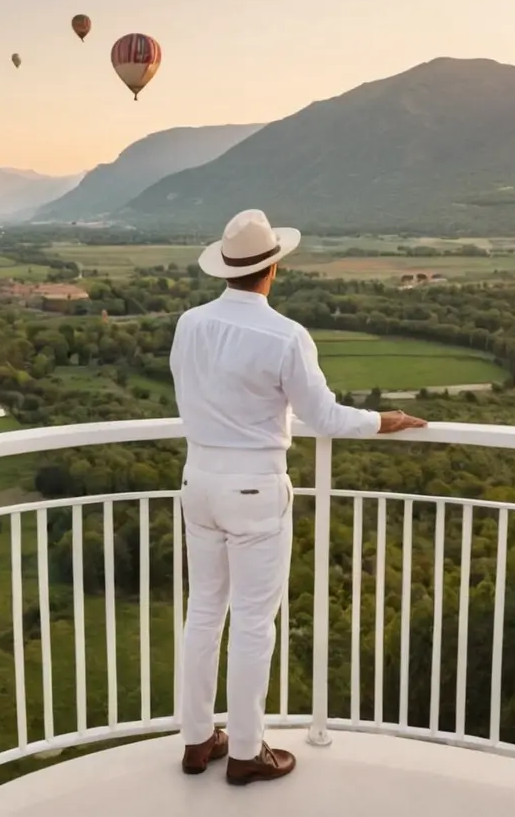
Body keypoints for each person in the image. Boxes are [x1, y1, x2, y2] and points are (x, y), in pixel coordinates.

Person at [170, 208, 427, 785]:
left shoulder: (190, 324)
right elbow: (325, 416)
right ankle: (244, 751)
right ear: (273, 269)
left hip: (198, 480)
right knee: (255, 622)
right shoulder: (286, 335)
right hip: (255, 486)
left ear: (226, 269)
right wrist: (384, 420)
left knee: (205, 613)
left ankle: (194, 742)